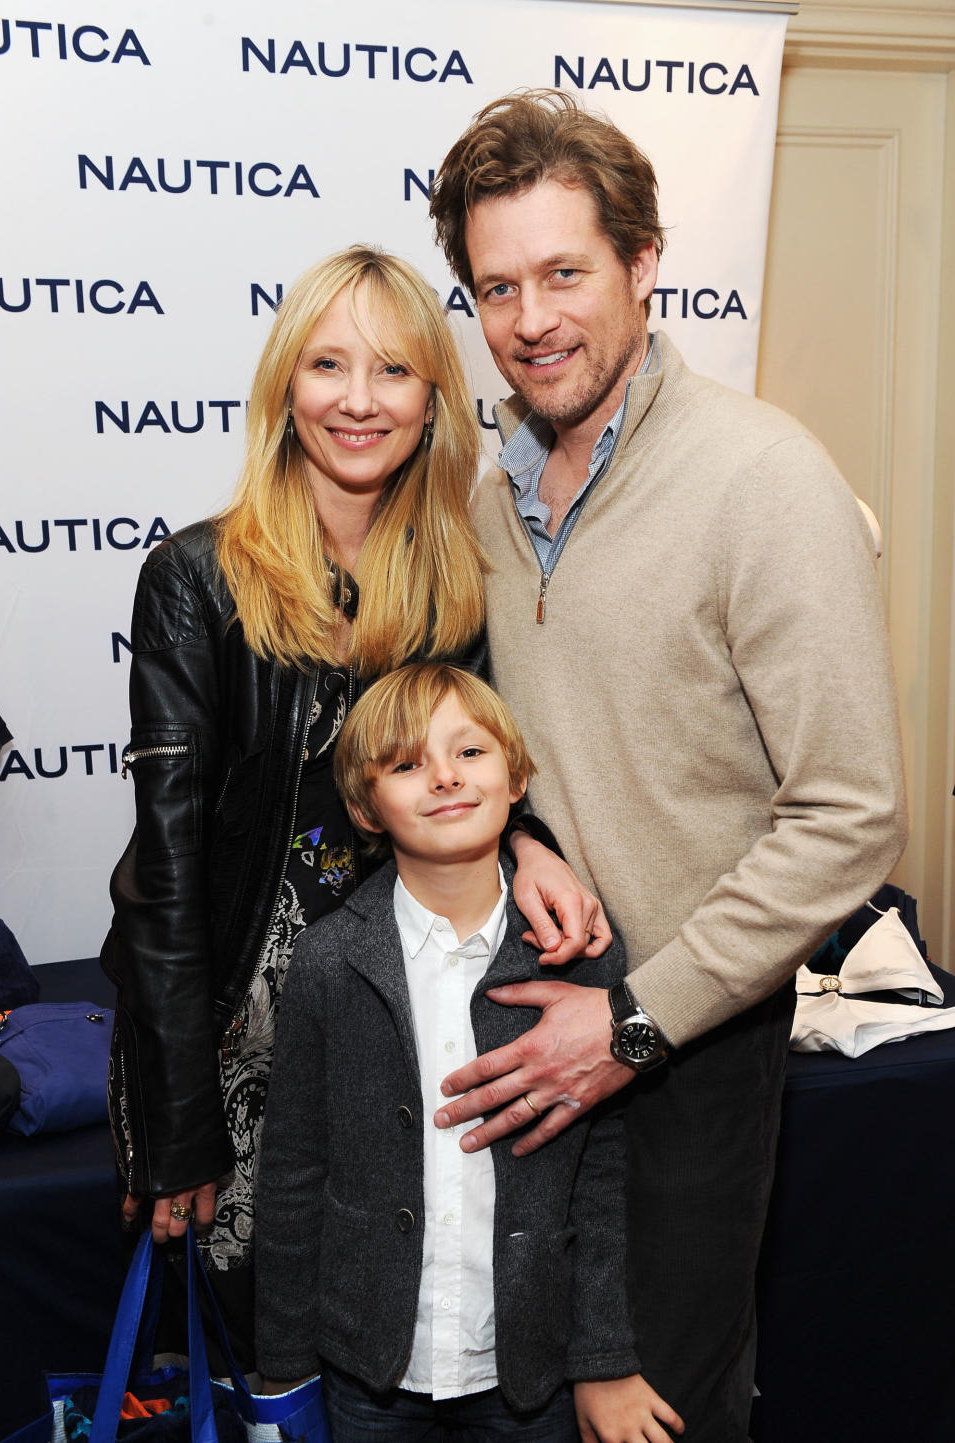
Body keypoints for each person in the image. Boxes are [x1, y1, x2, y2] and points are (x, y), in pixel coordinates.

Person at [427, 92, 908, 1440]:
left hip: (687, 1050)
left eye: (566, 272)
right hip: (525, 1035)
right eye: (499, 286)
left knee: (662, 1408)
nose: (532, 319)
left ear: (644, 265)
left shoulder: (764, 479)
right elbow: (508, 727)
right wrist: (519, 829)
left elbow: (850, 815)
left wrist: (634, 1022)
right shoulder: (488, 490)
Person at [100, 245, 608, 1368]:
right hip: (233, 1032)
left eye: (393, 370)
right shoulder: (199, 577)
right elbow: (169, 869)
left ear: (434, 399)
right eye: (329, 365)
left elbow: (472, 766)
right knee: (260, 1358)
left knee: (397, 1330)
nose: (359, 400)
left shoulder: (453, 576)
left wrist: (530, 845)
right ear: (288, 386)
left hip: (397, 1012)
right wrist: (179, 1121)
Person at [255, 661, 684, 1443]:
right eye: (408, 763)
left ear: (517, 776)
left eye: (471, 753)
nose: (445, 777)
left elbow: (602, 1178)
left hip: (532, 1371)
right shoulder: (326, 962)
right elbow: (290, 1173)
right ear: (365, 807)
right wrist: (283, 1366)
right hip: (368, 1373)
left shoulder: (581, 954)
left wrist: (602, 1356)